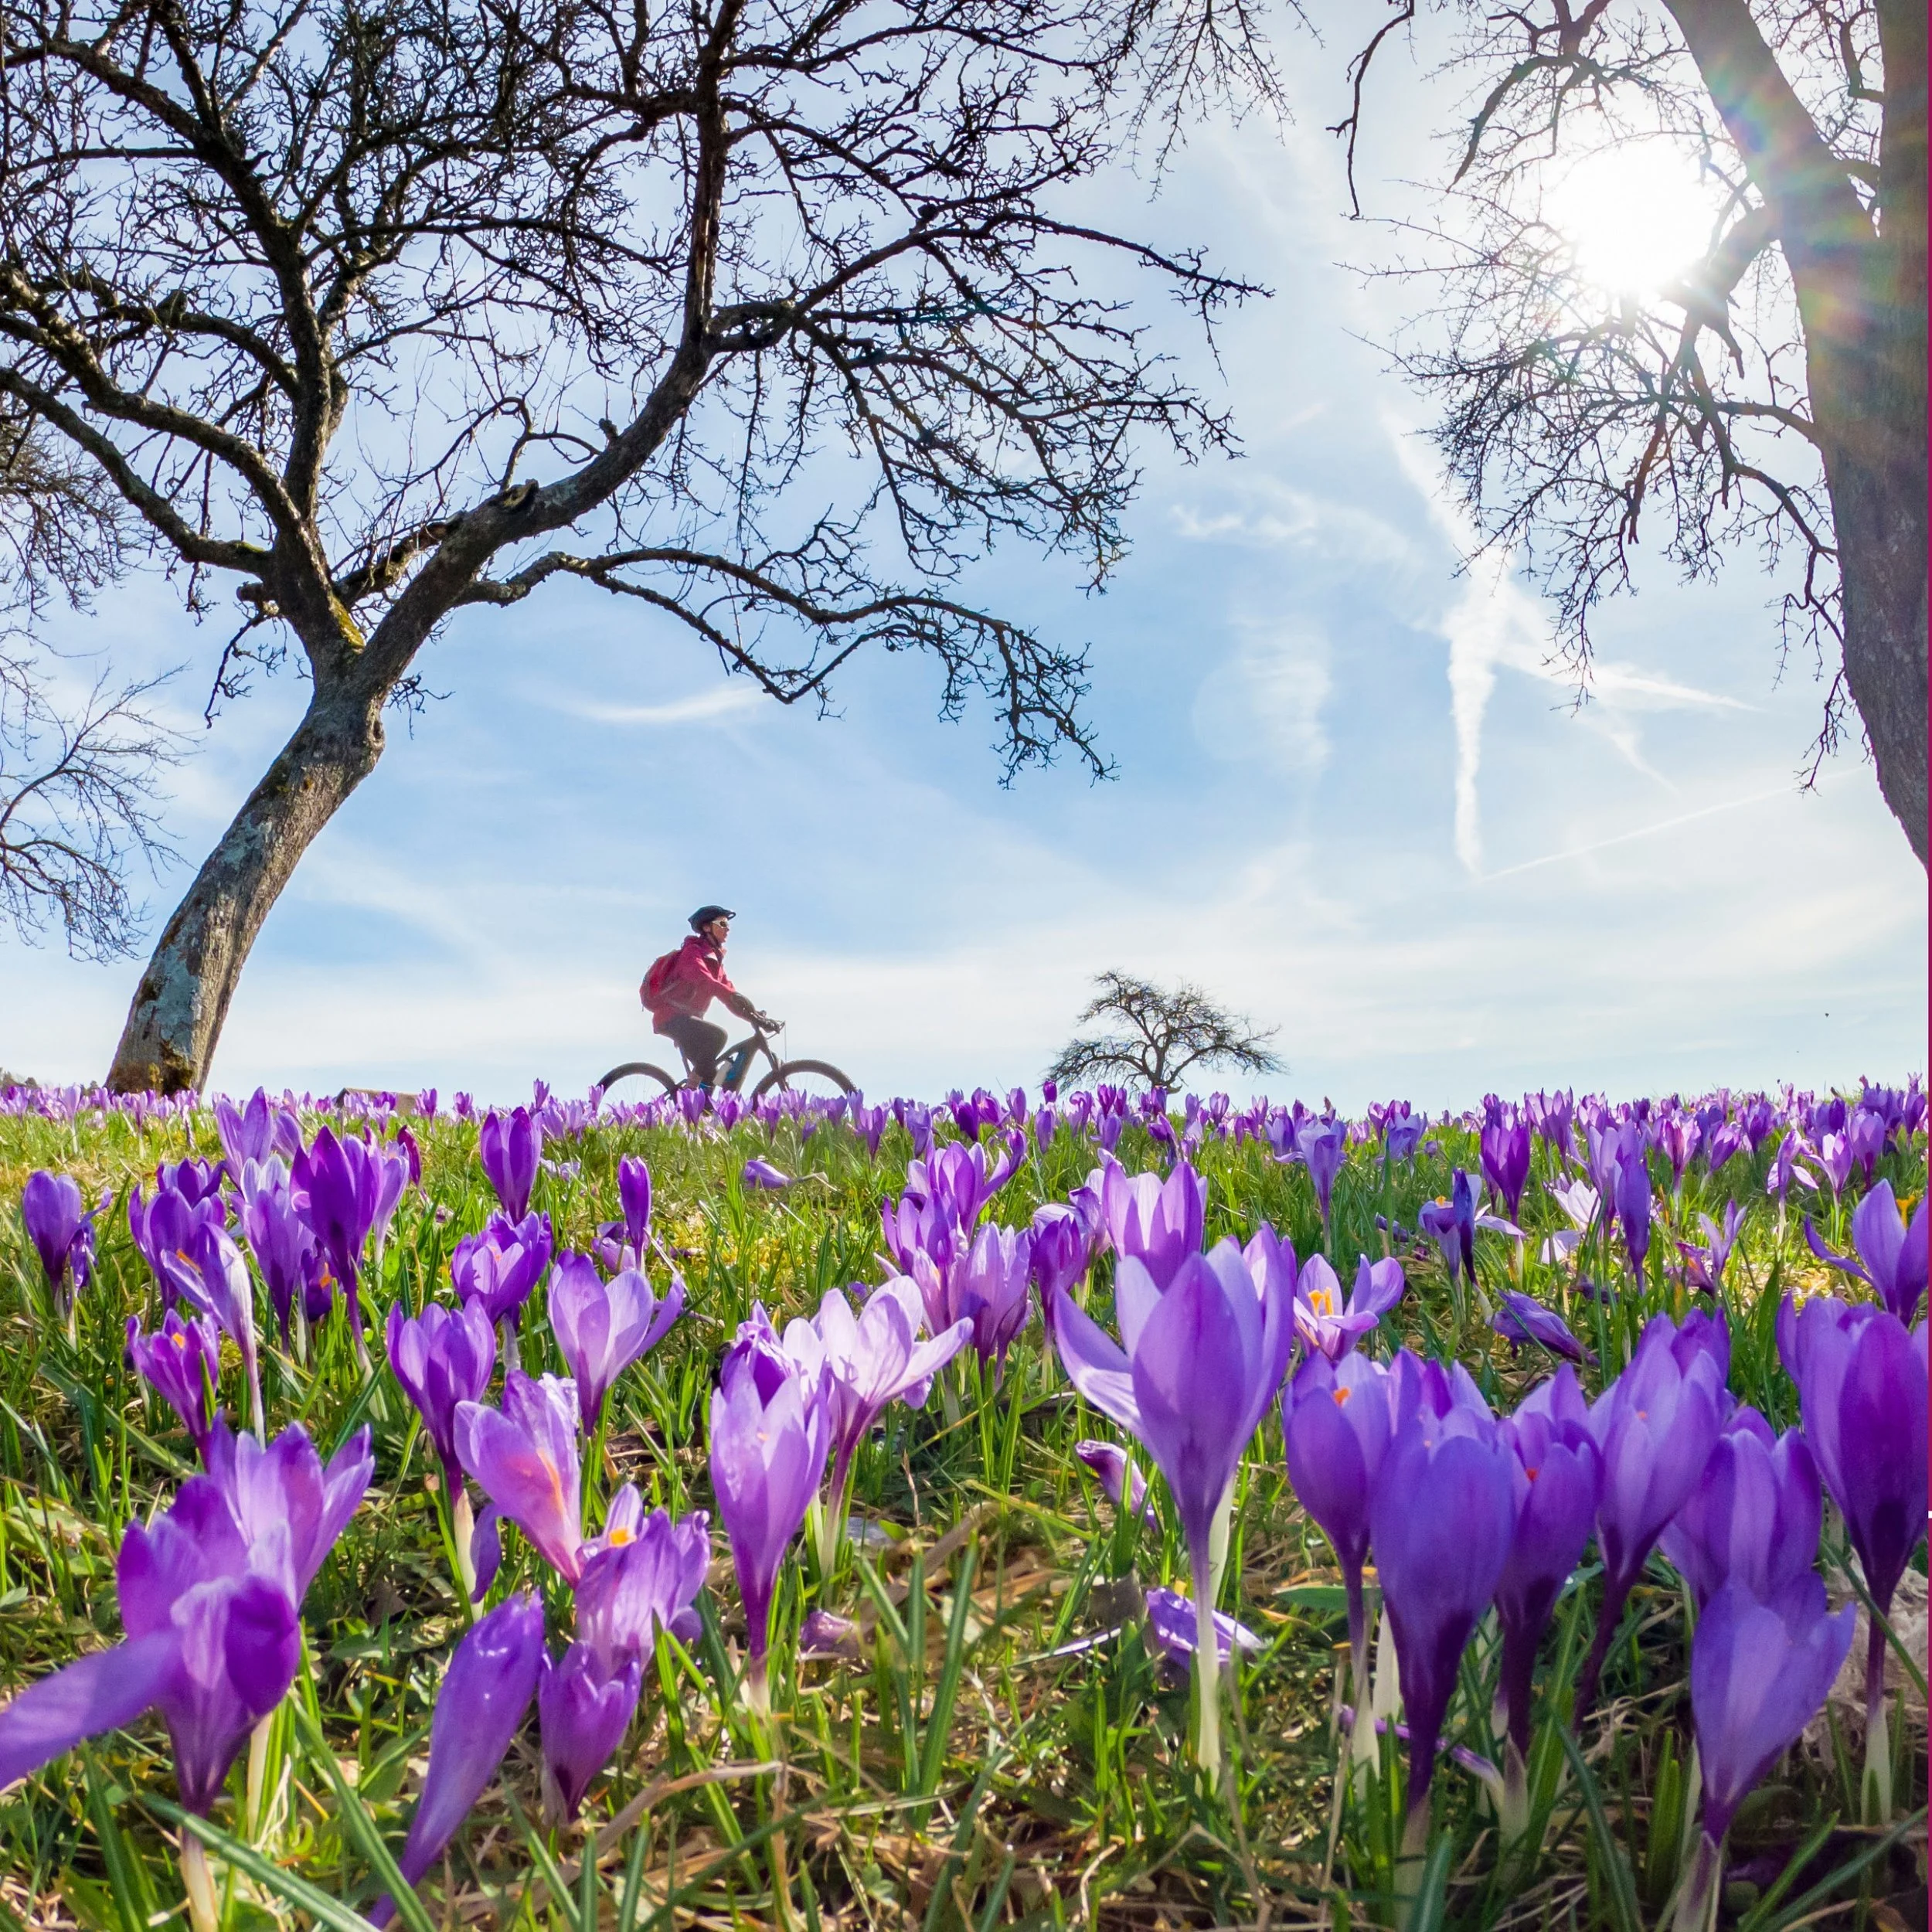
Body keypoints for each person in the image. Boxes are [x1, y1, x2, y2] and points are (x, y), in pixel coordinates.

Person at [641, 906, 779, 1087]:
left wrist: (754, 1016)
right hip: (671, 1017)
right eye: (722, 924)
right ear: (707, 928)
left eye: (728, 925)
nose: (727, 928)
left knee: (712, 1077)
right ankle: (690, 1092)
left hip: (688, 1020)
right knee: (717, 1036)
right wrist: (740, 1003)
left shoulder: (716, 962)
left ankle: (700, 1110)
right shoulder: (692, 953)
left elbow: (731, 997)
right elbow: (706, 982)